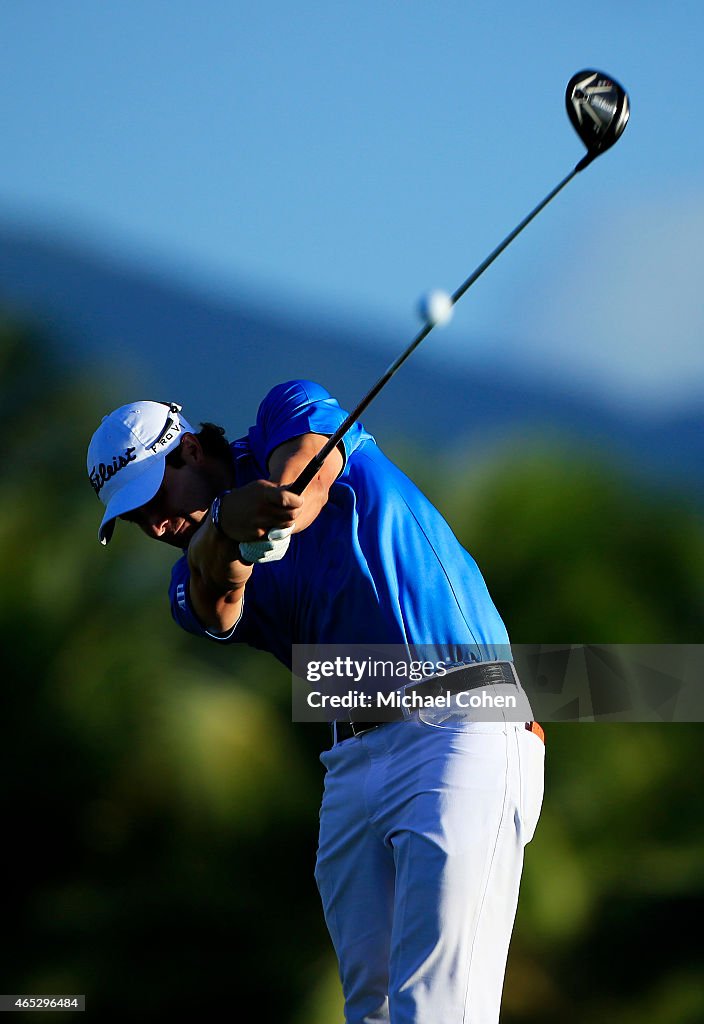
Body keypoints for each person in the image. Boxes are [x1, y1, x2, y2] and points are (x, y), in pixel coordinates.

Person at [87, 379, 545, 1024]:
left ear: (189, 451)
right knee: (372, 1011)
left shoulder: (284, 408)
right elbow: (218, 603)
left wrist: (265, 512)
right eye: (136, 518)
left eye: (153, 497)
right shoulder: (186, 578)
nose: (155, 523)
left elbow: (307, 477)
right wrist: (225, 536)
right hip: (352, 764)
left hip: (462, 724)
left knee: (441, 1007)